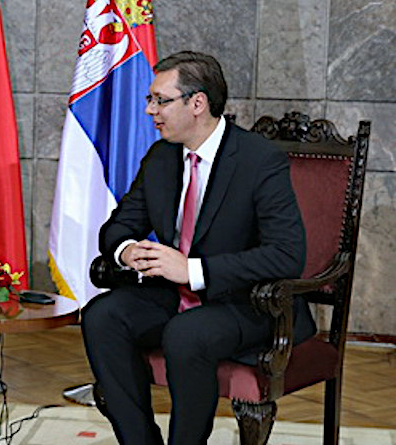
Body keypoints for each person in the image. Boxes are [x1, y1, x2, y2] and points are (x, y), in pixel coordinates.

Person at [81, 51, 317, 445]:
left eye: (160, 100)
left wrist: (192, 270)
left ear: (197, 103)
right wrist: (125, 250)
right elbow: (119, 226)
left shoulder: (259, 160)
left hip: (248, 304)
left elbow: (287, 255)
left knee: (186, 334)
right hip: (176, 298)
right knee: (102, 316)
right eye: (149, 100)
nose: (149, 110)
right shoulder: (161, 156)